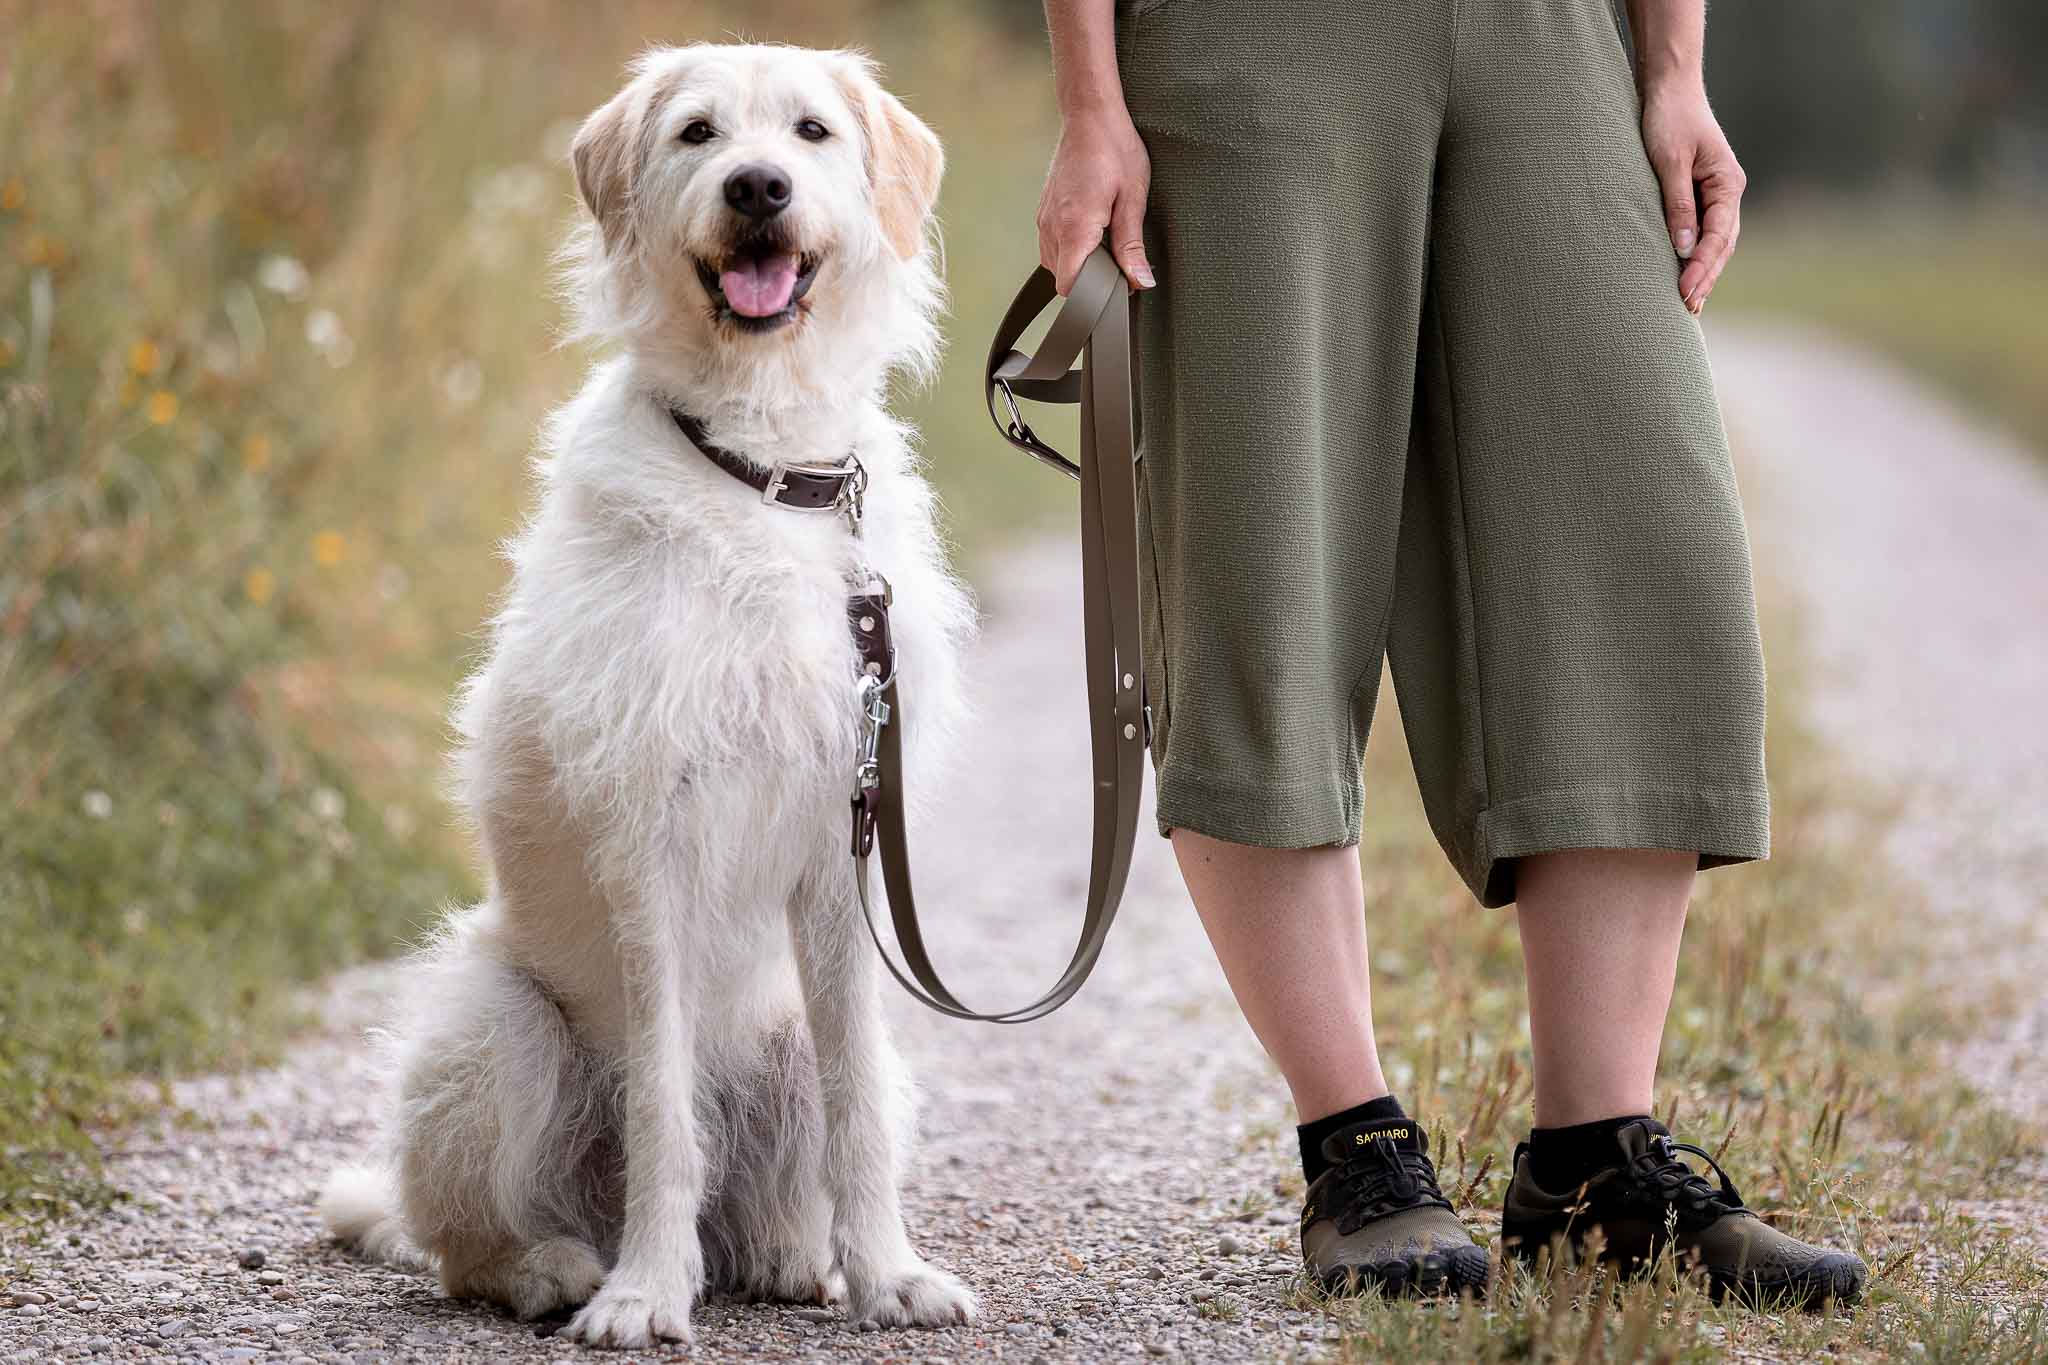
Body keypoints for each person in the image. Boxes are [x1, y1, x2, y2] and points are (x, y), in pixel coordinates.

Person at [1035, 0, 1867, 1307]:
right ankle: (1355, 1142)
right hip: (1252, 46)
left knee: (1638, 551)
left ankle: (1599, 1163)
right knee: (1266, 561)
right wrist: (1091, 100)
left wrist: (1675, 67)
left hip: (1556, 36)